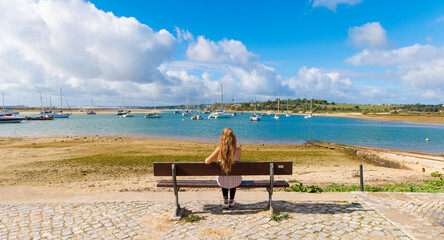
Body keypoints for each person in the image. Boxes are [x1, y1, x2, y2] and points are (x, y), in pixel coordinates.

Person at [205, 128, 242, 208]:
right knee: (233, 175)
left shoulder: (219, 149)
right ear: (234, 138)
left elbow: (207, 161)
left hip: (223, 181)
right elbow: (237, 161)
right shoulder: (238, 150)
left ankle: (225, 201)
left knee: (224, 176)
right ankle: (231, 200)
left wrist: (206, 159)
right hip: (236, 181)